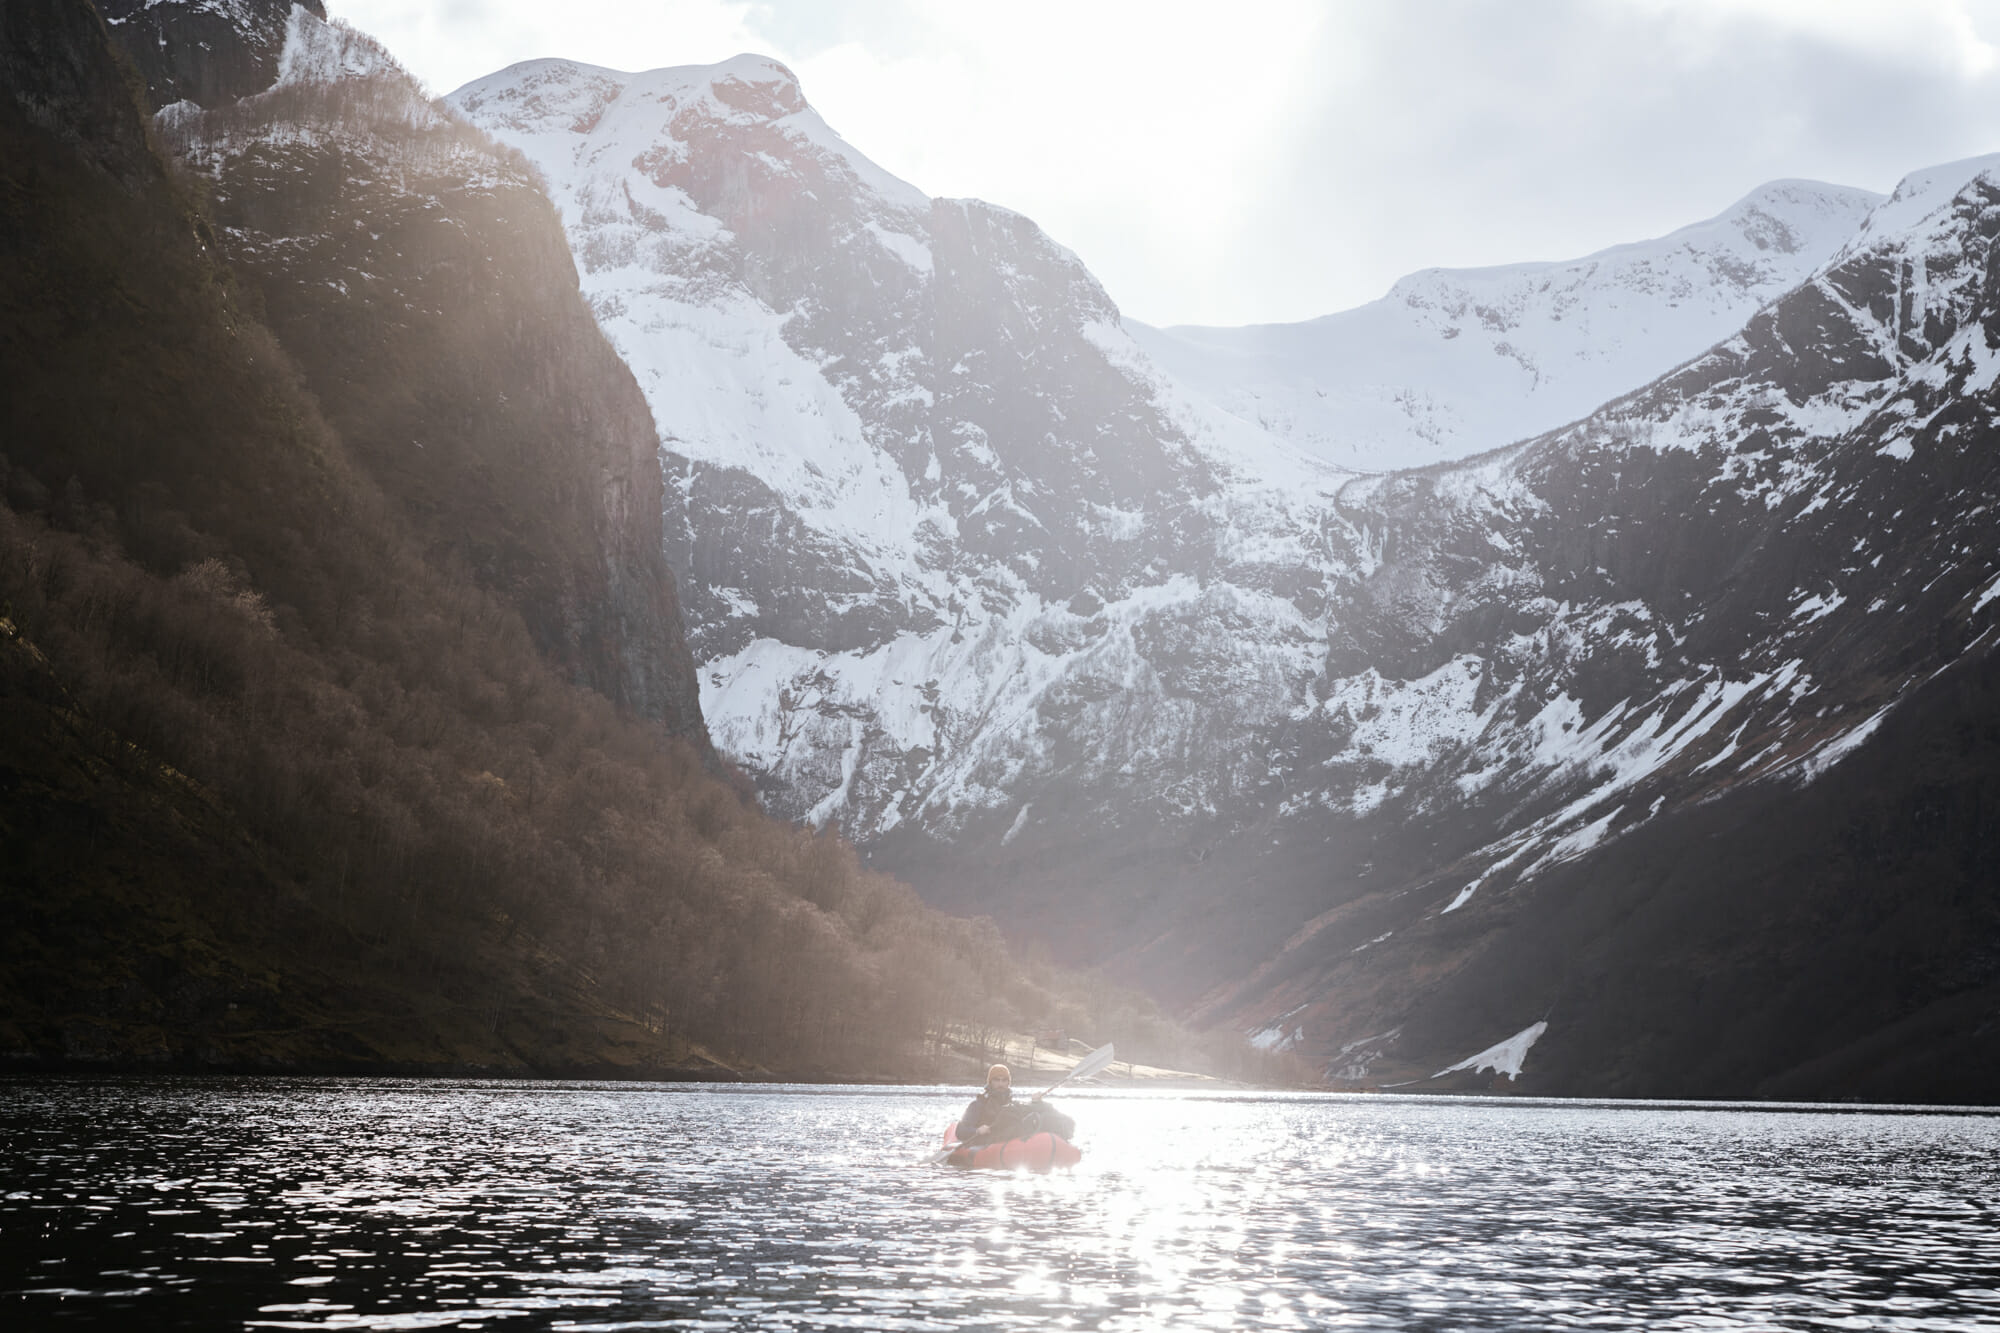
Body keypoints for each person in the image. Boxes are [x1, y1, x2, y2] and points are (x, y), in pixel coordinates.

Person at [956, 1063, 1075, 1144]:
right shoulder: (978, 1105)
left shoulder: (1014, 1105)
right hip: (988, 1140)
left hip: (1009, 1138)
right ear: (990, 1082)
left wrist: (1037, 1103)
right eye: (996, 1080)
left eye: (1004, 1080)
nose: (1000, 1084)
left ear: (1009, 1083)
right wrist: (976, 1131)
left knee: (1047, 1115)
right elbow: (960, 1131)